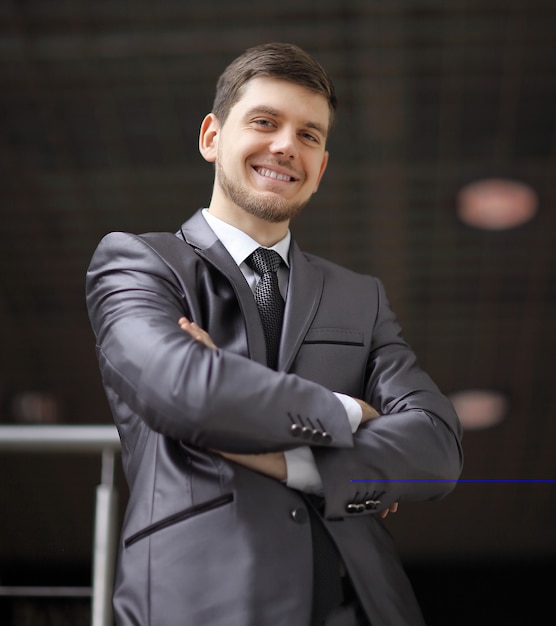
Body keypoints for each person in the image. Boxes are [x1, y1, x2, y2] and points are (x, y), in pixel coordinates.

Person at [86, 42, 463, 626]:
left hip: (362, 603)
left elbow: (437, 450)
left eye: (309, 135)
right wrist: (350, 412)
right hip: (203, 600)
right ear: (212, 137)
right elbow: (187, 391)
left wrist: (295, 464)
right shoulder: (137, 264)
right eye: (265, 122)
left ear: (322, 167)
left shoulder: (361, 297)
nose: (287, 145)